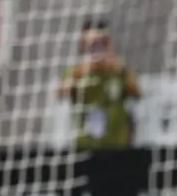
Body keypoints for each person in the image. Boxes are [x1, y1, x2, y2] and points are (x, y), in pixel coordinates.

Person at [58, 19, 140, 151]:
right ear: (83, 44)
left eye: (102, 42)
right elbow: (61, 92)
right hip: (85, 142)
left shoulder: (119, 69)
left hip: (117, 143)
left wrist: (118, 68)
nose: (97, 48)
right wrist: (82, 70)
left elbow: (137, 93)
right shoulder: (76, 71)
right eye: (93, 43)